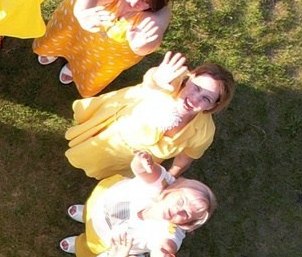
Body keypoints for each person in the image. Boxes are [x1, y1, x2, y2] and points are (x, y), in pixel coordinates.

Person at [65, 53, 232, 181]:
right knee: (89, 151)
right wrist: (157, 78)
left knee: (109, 169)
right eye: (196, 88)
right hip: (113, 133)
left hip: (131, 159)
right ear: (190, 77)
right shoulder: (171, 80)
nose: (194, 99)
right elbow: (151, 82)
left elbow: (187, 155)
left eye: (206, 99)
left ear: (213, 106)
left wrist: (170, 176)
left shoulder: (204, 132)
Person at [35, 0, 177, 99]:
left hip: (108, 49)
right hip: (86, 13)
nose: (133, 3)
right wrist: (82, 13)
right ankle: (55, 49)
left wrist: (140, 46)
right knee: (66, 35)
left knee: (94, 58)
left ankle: (76, 68)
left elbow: (152, 40)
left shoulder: (160, 12)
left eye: (145, 1)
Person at [67, 156, 215, 257]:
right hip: (101, 205)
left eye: (186, 214)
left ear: (188, 223)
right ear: (173, 189)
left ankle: (80, 245)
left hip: (105, 239)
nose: (178, 210)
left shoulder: (171, 231)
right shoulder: (162, 184)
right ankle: (86, 215)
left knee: (89, 248)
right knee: (91, 210)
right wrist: (142, 161)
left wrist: (164, 256)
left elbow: (164, 246)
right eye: (181, 201)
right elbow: (144, 169)